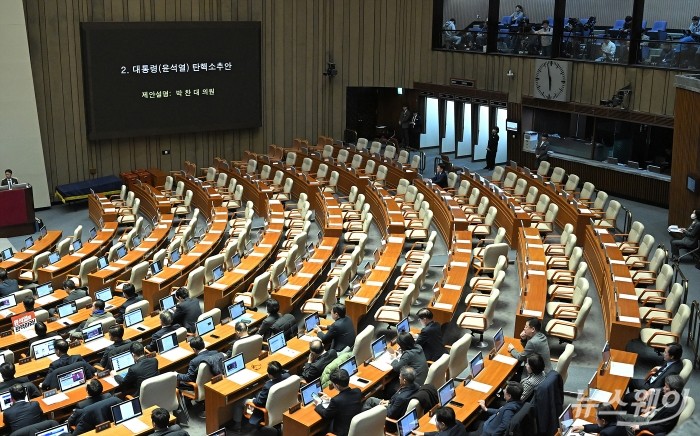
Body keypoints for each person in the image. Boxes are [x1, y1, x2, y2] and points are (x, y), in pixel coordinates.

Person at [231, 361, 290, 433]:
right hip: (282, 405)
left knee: (238, 402)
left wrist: (253, 400)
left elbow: (259, 402)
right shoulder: (287, 376)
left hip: (265, 410)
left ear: (270, 375)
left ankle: (237, 427)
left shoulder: (268, 386)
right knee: (257, 392)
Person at [623, 343, 683, 411]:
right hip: (653, 380)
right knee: (631, 382)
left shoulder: (673, 371)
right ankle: (634, 397)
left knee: (626, 398)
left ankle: (633, 400)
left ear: (672, 356)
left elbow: (668, 387)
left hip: (652, 387)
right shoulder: (674, 360)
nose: (663, 353)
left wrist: (653, 390)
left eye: (665, 352)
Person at [315, 369, 363, 436]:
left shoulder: (336, 401)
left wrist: (319, 404)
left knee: (322, 429)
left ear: (337, 385)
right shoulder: (357, 391)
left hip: (342, 433)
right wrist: (330, 399)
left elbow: (326, 414)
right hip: (356, 428)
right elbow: (346, 401)